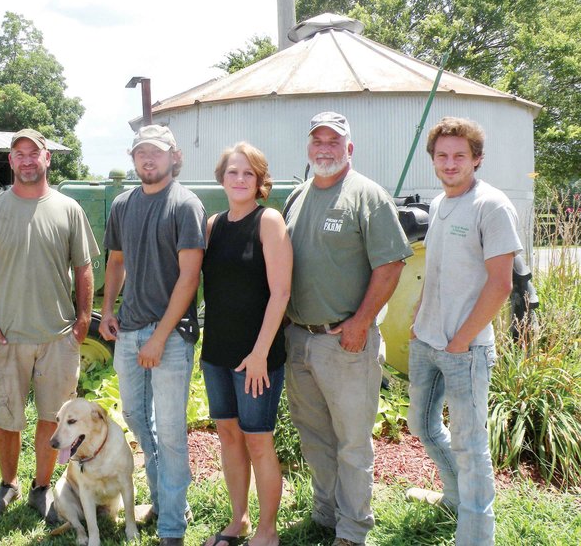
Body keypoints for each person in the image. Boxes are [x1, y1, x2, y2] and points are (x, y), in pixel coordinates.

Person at [283, 112, 413, 546]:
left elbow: (391, 264)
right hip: (299, 339)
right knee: (314, 433)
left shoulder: (367, 196)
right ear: (308, 148)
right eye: (317, 140)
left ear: (349, 149)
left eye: (333, 141)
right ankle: (325, 513)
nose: (324, 148)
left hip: (346, 342)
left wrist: (361, 323)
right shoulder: (297, 197)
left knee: (352, 442)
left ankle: (353, 529)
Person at [0, 128, 98, 520]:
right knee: (7, 418)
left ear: (47, 159)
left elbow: (84, 268)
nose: (27, 160)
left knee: (52, 419)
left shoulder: (68, 208)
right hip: (7, 337)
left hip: (58, 338)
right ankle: (7, 485)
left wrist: (81, 320)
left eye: (34, 153)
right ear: (11, 161)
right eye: (19, 154)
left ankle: (41, 489)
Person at [406, 117, 521, 545]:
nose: (450, 163)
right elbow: (434, 271)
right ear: (433, 160)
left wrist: (459, 340)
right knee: (421, 425)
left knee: (471, 448)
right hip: (428, 340)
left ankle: (475, 536)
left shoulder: (490, 206)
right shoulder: (439, 204)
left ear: (477, 159)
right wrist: (420, 321)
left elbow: (500, 283)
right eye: (442, 156)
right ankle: (454, 497)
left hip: (466, 349)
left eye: (459, 156)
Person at [99, 124, 206, 546]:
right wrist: (108, 309)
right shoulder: (124, 204)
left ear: (173, 156)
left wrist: (159, 337)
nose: (149, 159)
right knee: (137, 419)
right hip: (128, 331)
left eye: (157, 153)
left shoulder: (185, 204)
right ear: (133, 157)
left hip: (172, 337)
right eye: (141, 152)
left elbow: (189, 277)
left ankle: (172, 530)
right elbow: (115, 261)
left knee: (172, 433)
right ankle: (167, 501)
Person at [201, 143, 291, 546]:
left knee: (258, 439)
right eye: (233, 172)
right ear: (222, 178)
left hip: (258, 355)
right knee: (228, 435)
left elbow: (281, 292)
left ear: (259, 182)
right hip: (217, 351)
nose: (240, 179)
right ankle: (237, 521)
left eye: (248, 174)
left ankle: (267, 531)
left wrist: (259, 353)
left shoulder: (268, 221)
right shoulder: (213, 224)